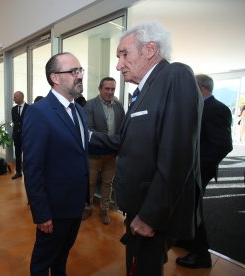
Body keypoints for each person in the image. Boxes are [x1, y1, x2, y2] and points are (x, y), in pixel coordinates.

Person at [89, 22, 203, 275]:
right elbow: (128, 142)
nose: (118, 65)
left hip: (153, 211)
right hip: (139, 205)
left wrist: (151, 216)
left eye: (124, 54)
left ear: (150, 50)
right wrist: (85, 136)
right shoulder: (145, 91)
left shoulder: (176, 75)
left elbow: (176, 156)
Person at [23, 52, 89, 275]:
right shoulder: (38, 113)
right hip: (54, 207)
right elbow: (32, 167)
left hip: (75, 203)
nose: (79, 76)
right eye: (73, 71)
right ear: (55, 78)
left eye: (80, 70)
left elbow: (79, 149)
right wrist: (42, 213)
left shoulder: (79, 110)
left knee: (62, 256)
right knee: (44, 260)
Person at [176, 74, 232, 268]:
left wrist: (198, 168)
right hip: (189, 171)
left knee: (193, 211)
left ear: (199, 87)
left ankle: (201, 254)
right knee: (186, 207)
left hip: (198, 172)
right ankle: (186, 240)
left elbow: (223, 145)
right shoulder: (199, 107)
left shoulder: (217, 109)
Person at [82, 77, 125, 224]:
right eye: (107, 88)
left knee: (108, 183)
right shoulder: (89, 105)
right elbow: (89, 130)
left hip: (112, 155)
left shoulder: (119, 107)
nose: (110, 92)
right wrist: (112, 142)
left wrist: (115, 145)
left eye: (112, 89)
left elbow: (122, 130)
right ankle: (87, 208)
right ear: (100, 89)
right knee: (90, 183)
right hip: (94, 154)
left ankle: (104, 210)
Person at [11, 91, 29, 179]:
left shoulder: (29, 108)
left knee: (27, 154)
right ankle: (18, 172)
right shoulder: (13, 109)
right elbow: (15, 122)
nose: (13, 99)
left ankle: (27, 171)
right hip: (17, 136)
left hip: (26, 136)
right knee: (18, 154)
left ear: (21, 97)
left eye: (15, 97)